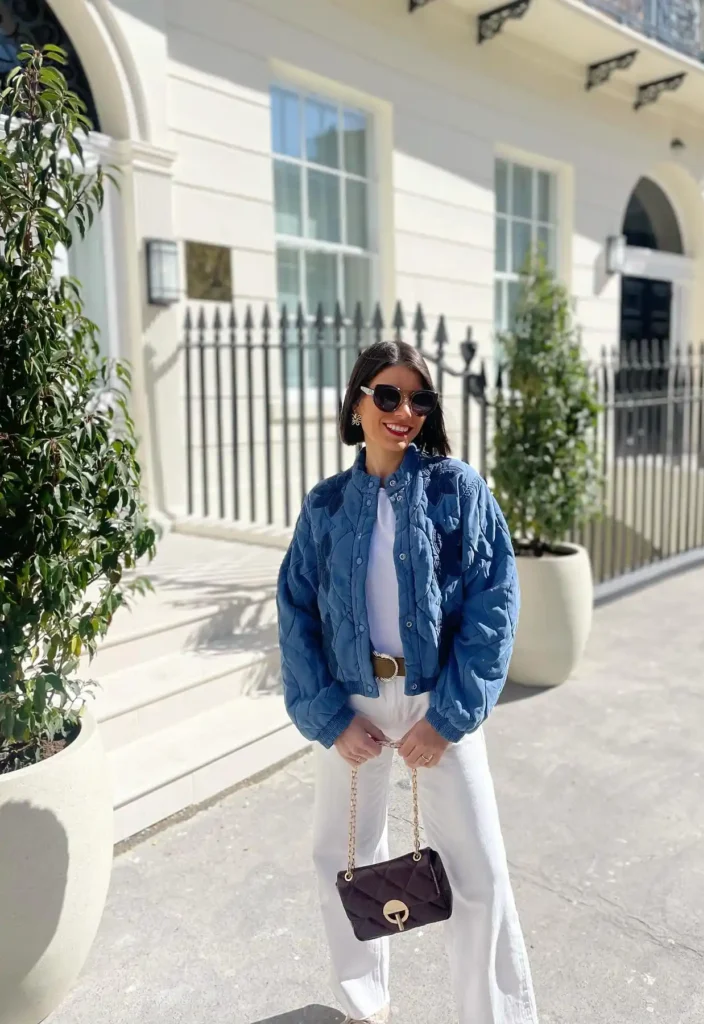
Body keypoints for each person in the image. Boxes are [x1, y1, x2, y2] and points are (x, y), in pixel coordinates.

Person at [276, 340, 538, 1024]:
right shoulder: (327, 505)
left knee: (478, 870)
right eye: (387, 395)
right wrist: (329, 717)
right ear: (357, 402)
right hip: (352, 699)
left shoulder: (458, 488)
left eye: (418, 398)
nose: (404, 411)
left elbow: (493, 602)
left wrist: (448, 717)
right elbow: (296, 609)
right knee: (339, 854)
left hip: (434, 698)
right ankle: (366, 1007)